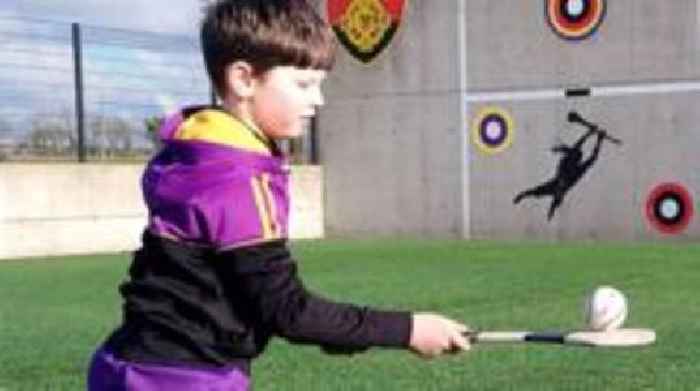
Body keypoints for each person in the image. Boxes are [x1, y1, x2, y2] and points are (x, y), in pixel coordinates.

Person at [87, 1, 469, 389]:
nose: (318, 101)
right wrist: (407, 330)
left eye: (319, 85)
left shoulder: (198, 154)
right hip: (185, 378)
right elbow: (287, 310)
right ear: (243, 80)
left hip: (123, 364)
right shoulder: (237, 178)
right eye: (303, 84)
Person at [513, 123, 607, 221]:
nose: (561, 187)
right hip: (569, 162)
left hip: (566, 163)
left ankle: (569, 145)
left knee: (574, 152)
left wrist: (521, 196)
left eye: (559, 190)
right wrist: (599, 140)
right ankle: (575, 142)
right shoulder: (574, 178)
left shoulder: (551, 188)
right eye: (561, 190)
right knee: (576, 153)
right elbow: (592, 158)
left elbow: (534, 192)